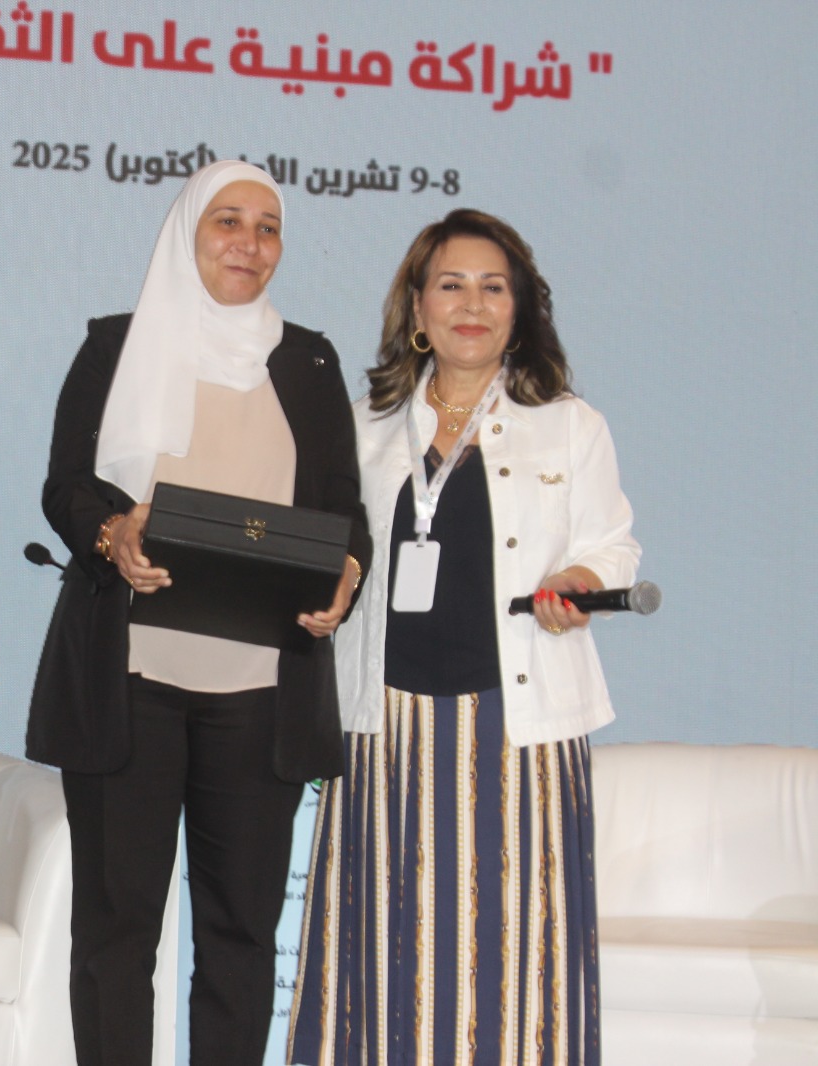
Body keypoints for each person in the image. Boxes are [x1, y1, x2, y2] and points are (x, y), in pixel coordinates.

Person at [26, 160, 371, 1066]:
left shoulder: (310, 361)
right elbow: (66, 485)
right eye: (228, 221)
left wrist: (348, 571)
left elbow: (345, 512)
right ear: (187, 232)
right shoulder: (117, 346)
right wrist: (112, 533)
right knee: (116, 932)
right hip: (129, 680)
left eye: (268, 226)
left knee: (243, 935)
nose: (249, 243)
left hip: (261, 689)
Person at [287, 209, 640, 1065]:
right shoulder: (365, 426)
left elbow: (611, 546)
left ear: (520, 309)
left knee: (514, 957)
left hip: (516, 734)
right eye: (451, 285)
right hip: (386, 731)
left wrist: (580, 581)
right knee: (383, 946)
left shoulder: (570, 425)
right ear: (417, 305)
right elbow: (328, 548)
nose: (472, 305)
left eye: (493, 287)